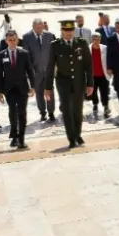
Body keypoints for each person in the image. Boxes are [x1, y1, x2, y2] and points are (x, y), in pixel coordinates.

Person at [46, 20, 94, 148]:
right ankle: (71, 138)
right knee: (67, 110)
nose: (68, 33)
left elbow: (88, 65)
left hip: (79, 82)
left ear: (74, 30)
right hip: (63, 82)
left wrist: (90, 84)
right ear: (61, 31)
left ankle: (77, 134)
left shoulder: (82, 43)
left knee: (78, 110)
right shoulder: (55, 45)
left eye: (71, 30)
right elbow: (50, 67)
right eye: (66, 31)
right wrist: (48, 87)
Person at [0, 30, 35, 149]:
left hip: (22, 88)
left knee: (22, 113)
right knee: (12, 112)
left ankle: (21, 139)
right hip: (9, 89)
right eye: (10, 40)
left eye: (14, 40)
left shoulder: (24, 53)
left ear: (17, 40)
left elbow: (30, 71)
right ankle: (14, 137)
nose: (12, 42)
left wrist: (32, 87)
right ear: (6, 41)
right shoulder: (1, 55)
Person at [21, 19, 56, 122]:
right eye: (38, 28)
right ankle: (42, 113)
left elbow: (53, 52)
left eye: (41, 27)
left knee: (50, 92)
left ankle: (51, 112)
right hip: (35, 72)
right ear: (33, 27)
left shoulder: (49, 35)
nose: (40, 29)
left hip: (48, 71)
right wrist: (30, 71)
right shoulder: (27, 37)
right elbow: (26, 55)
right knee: (39, 93)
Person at [89, 32, 112, 118]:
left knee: (104, 93)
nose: (96, 40)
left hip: (103, 75)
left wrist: (110, 69)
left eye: (98, 39)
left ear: (100, 39)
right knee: (93, 93)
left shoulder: (105, 48)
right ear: (92, 39)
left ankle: (106, 107)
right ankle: (95, 103)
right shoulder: (88, 49)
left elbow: (109, 60)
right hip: (92, 76)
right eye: (94, 39)